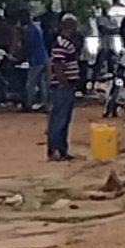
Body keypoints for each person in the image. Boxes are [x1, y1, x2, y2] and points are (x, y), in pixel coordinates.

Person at [48, 15, 80, 161]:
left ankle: (62, 149)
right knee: (59, 118)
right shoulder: (61, 44)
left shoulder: (66, 43)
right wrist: (64, 82)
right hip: (63, 86)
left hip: (67, 84)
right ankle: (54, 149)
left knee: (65, 118)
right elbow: (58, 65)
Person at [21, 10, 50, 111]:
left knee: (30, 83)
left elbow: (30, 45)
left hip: (36, 59)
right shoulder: (36, 27)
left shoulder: (31, 29)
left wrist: (22, 56)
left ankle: (29, 104)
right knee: (42, 83)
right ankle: (46, 105)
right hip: (43, 57)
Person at [95, 2, 118, 79]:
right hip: (103, 44)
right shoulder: (100, 18)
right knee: (101, 60)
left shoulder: (112, 18)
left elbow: (117, 30)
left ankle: (112, 76)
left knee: (112, 62)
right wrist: (112, 30)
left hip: (111, 44)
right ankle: (97, 75)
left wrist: (110, 30)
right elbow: (103, 30)